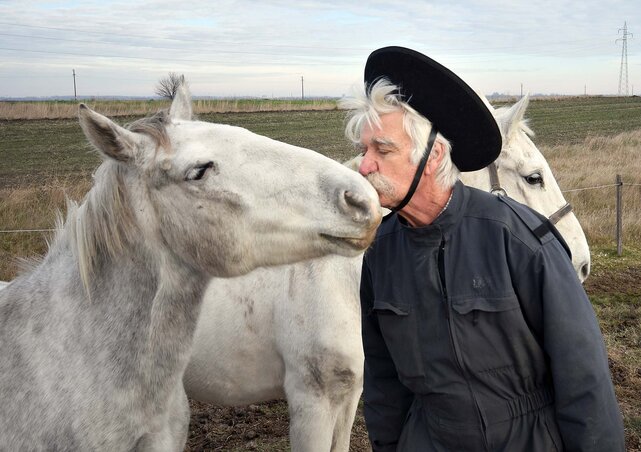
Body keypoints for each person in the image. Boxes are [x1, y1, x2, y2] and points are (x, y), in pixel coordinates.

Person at [342, 46, 625, 451]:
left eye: (382, 150)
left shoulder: (518, 238)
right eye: (364, 151)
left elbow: (584, 378)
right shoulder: (380, 255)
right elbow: (385, 384)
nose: (365, 165)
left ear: (433, 153)